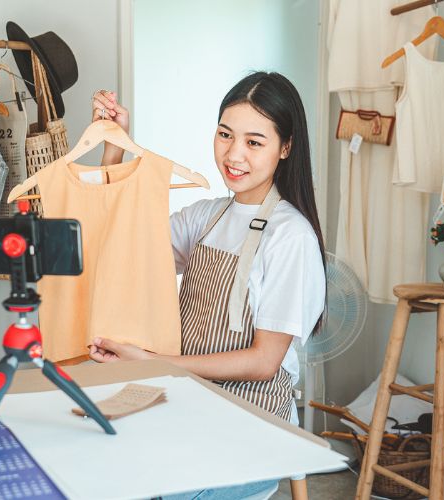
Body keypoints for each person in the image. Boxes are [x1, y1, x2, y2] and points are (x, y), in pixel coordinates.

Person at [88, 72, 326, 499]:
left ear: (285, 147)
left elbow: (263, 362)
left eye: (254, 142)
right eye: (224, 134)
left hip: (252, 423)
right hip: (186, 402)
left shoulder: (291, 237)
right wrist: (114, 145)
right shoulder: (205, 216)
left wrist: (153, 362)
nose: (233, 154)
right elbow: (121, 247)